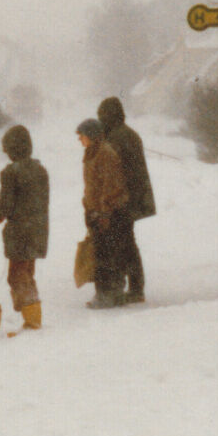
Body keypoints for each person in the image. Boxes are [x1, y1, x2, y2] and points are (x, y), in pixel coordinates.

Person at [0, 125, 49, 331]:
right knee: (27, 273)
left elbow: (6, 204)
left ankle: (32, 319)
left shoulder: (11, 173)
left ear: (12, 149)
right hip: (38, 230)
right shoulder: (40, 170)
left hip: (20, 232)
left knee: (17, 275)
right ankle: (32, 315)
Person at [97, 97, 156, 304]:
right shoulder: (128, 134)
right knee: (128, 242)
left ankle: (125, 287)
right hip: (134, 197)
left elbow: (113, 171)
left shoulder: (115, 138)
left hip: (123, 199)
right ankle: (136, 287)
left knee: (122, 243)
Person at [76, 118, 131, 309]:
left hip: (108, 213)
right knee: (102, 254)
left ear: (91, 136)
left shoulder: (105, 154)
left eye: (82, 136)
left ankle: (109, 294)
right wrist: (88, 206)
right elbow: (92, 184)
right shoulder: (92, 153)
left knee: (107, 256)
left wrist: (104, 212)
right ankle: (108, 292)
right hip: (97, 211)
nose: (79, 140)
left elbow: (111, 185)